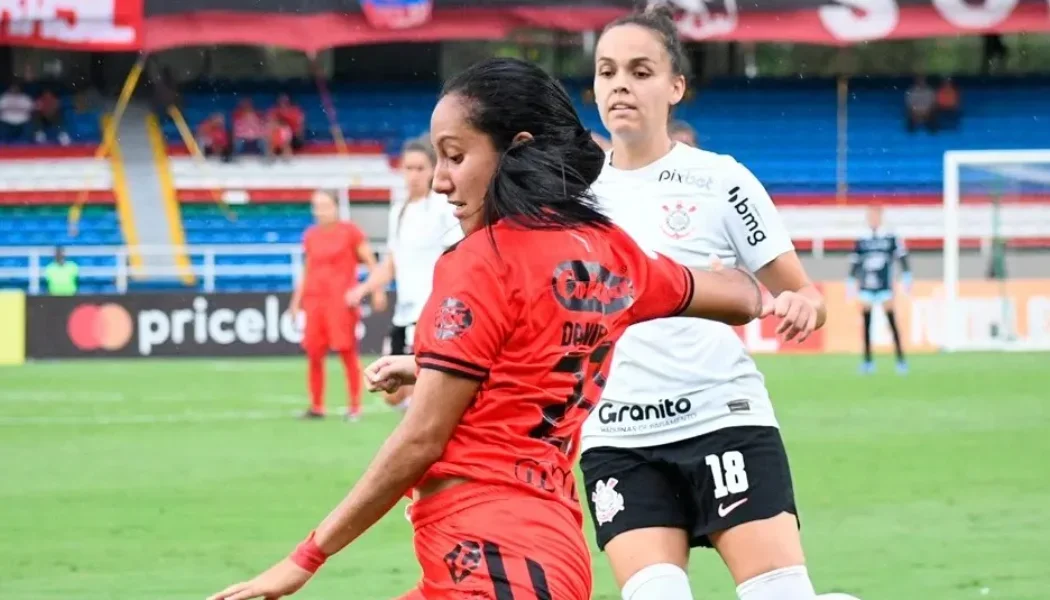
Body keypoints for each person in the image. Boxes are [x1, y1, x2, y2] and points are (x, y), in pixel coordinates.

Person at [206, 57, 770, 600]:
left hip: (497, 561)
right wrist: (754, 287)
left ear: (516, 149)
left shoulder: (484, 260)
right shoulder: (613, 253)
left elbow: (420, 439)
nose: (442, 181)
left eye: (455, 157)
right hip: (529, 551)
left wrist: (303, 559)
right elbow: (742, 297)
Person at [581, 7, 851, 600]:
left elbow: (801, 289)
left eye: (640, 70)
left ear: (675, 86)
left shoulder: (720, 180)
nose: (620, 84)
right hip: (617, 435)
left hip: (722, 417)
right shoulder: (573, 195)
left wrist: (804, 306)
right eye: (607, 71)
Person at [345, 137, 461, 412]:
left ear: (432, 170)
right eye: (408, 168)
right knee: (392, 393)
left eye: (420, 168)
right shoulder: (399, 210)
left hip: (430, 314)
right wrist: (363, 289)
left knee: (424, 394)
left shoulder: (442, 207)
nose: (414, 175)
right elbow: (392, 262)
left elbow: (459, 254)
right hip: (403, 314)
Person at [287, 190, 385, 421]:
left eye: (325, 205)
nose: (320, 211)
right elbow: (307, 269)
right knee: (313, 352)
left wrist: (377, 290)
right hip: (314, 302)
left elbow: (371, 261)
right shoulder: (310, 235)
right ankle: (317, 406)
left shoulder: (350, 232)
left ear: (335, 207)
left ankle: (355, 406)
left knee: (346, 351)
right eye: (316, 206)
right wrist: (296, 301)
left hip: (341, 302)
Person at [847, 205, 910, 375]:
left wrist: (906, 275)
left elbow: (902, 257)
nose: (873, 220)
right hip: (866, 286)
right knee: (866, 323)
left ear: (881, 218)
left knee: (891, 321)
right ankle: (867, 361)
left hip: (885, 286)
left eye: (875, 216)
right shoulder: (862, 239)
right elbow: (855, 261)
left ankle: (901, 360)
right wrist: (851, 280)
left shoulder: (890, 237)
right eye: (870, 217)